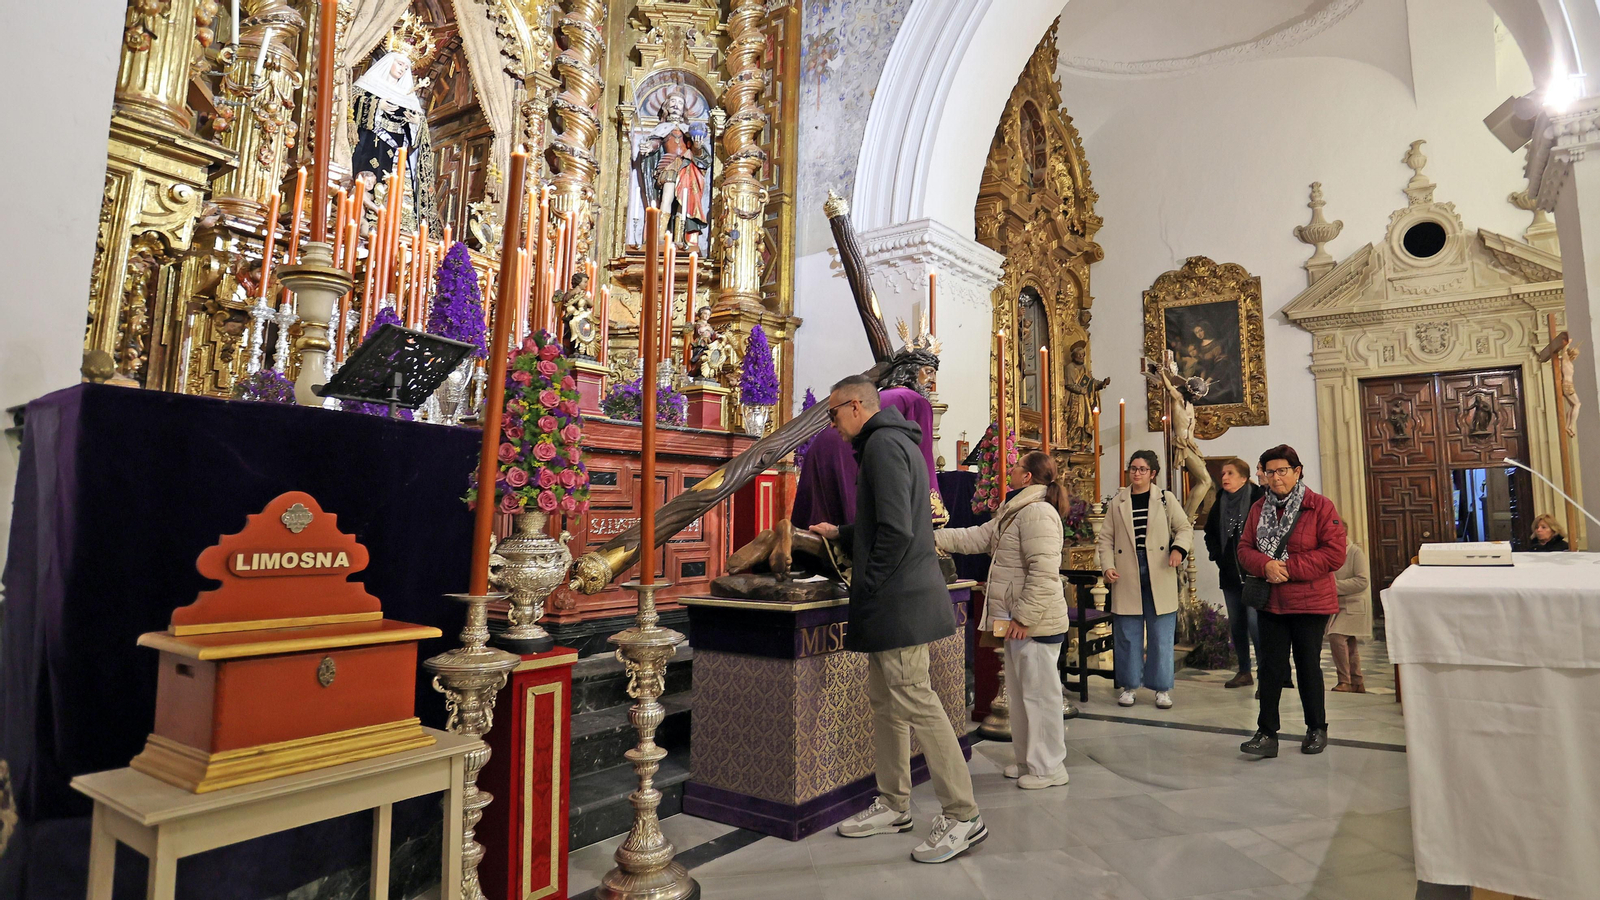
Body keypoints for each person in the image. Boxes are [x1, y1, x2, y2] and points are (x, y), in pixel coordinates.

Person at [809, 376, 984, 863]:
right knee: (886, 700)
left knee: (916, 701)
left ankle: (964, 814)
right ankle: (893, 802)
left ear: (855, 406)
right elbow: (891, 515)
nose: (833, 426)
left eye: (833, 414)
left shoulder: (883, 446)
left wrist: (869, 583)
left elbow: (896, 529)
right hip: (896, 596)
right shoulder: (890, 442)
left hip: (897, 599)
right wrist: (843, 532)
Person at [935, 451, 1070, 790]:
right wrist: (933, 537)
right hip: (1014, 621)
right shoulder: (1017, 510)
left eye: (1017, 466)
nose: (1010, 469)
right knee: (1023, 694)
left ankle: (1050, 767)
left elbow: (1044, 572)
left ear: (1028, 477)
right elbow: (977, 537)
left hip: (1033, 622)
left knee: (1040, 695)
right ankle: (1029, 761)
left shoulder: (1038, 512)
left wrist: (1023, 617)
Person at [1237, 445, 1347, 758]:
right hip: (1272, 600)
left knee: (1308, 665)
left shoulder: (1320, 506)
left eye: (1282, 470)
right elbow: (1245, 549)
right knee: (1270, 668)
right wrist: (1264, 566)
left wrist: (1287, 568)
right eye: (1270, 471)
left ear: (1297, 471)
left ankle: (1316, 728)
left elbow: (1334, 553)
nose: (1276, 477)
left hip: (1311, 602)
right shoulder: (1259, 508)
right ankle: (1267, 732)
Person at [1095, 449, 1193, 710]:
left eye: (1142, 469)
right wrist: (1107, 566)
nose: (1137, 473)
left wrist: (1178, 549)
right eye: (1133, 468)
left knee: (1161, 633)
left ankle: (1161, 688)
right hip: (1127, 569)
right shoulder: (1118, 502)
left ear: (1153, 473)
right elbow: (1105, 539)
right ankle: (1129, 686)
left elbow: (1184, 528)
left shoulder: (1165, 499)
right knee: (1127, 632)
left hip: (1159, 569)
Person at [1205, 457, 1264, 689]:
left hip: (1255, 574)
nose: (1225, 478)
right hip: (1230, 573)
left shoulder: (1258, 497)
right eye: (1223, 474)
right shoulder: (1220, 500)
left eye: (1230, 473)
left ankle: (1265, 675)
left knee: (1255, 624)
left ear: (1243, 477)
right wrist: (1217, 556)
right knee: (1237, 623)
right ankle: (1244, 671)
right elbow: (1210, 531)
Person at [1328, 537, 1370, 693]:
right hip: (1338, 603)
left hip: (1354, 602)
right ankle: (1357, 682)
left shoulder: (1355, 552)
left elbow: (1362, 581)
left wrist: (1332, 586)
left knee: (1336, 636)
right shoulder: (1331, 552)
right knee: (1349, 642)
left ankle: (1344, 680)